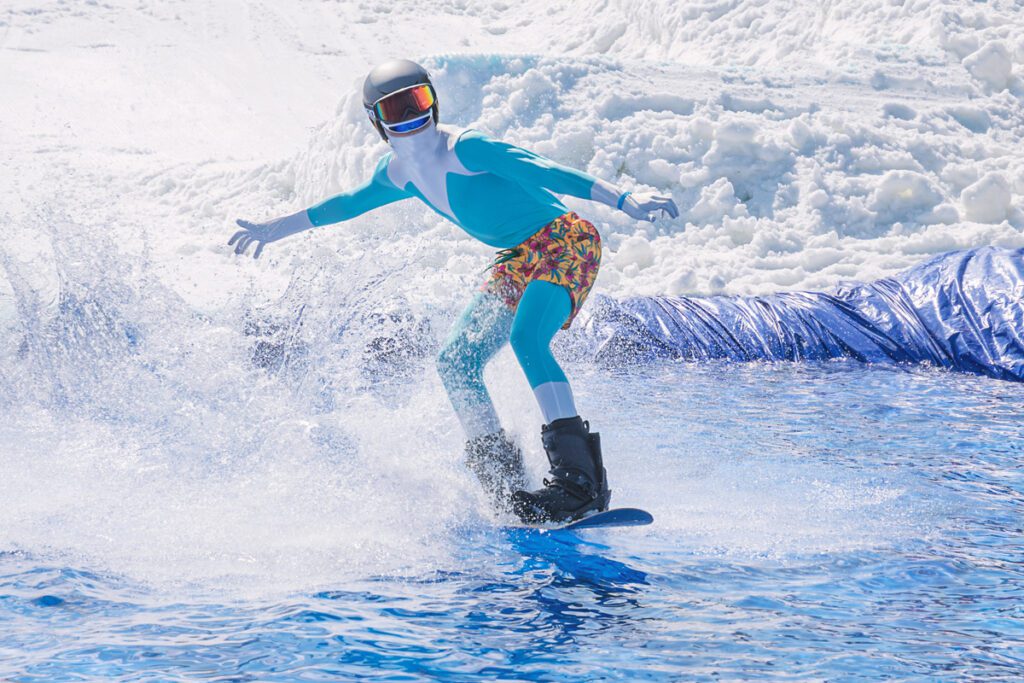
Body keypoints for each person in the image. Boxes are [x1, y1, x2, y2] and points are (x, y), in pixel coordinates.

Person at [230, 59, 678, 524]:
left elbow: (546, 170)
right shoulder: (396, 175)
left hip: (565, 240)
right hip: (518, 257)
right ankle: (503, 483)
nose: (409, 117)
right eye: (394, 109)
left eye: (417, 101)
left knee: (528, 339)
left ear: (434, 101)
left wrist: (625, 199)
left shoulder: (467, 149)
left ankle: (579, 483)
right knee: (456, 362)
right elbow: (347, 203)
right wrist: (278, 228)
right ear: (376, 121)